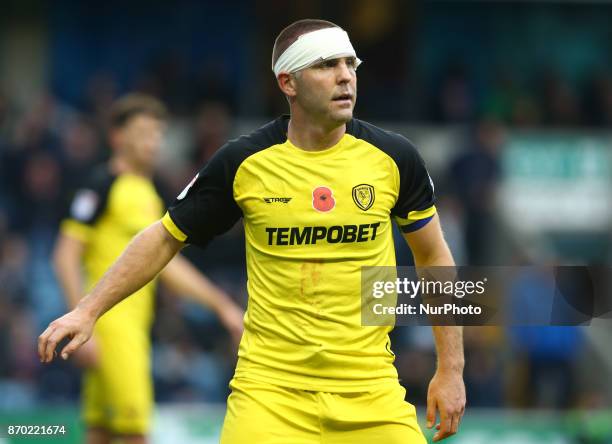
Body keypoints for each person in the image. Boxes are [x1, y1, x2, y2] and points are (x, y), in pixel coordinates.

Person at [40, 20, 466, 443]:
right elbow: (166, 236)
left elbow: (433, 257)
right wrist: (87, 309)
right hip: (269, 394)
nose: (345, 77)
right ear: (288, 82)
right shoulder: (243, 162)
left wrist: (450, 370)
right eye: (326, 65)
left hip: (372, 393)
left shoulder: (395, 157)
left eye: (350, 64)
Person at [52, 93, 244, 444]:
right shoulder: (102, 185)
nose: (152, 142)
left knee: (100, 432)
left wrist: (220, 305)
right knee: (135, 433)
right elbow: (64, 255)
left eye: (157, 133)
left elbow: (165, 267)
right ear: (117, 137)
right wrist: (80, 316)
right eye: (142, 132)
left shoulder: (147, 193)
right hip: (112, 329)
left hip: (126, 329)